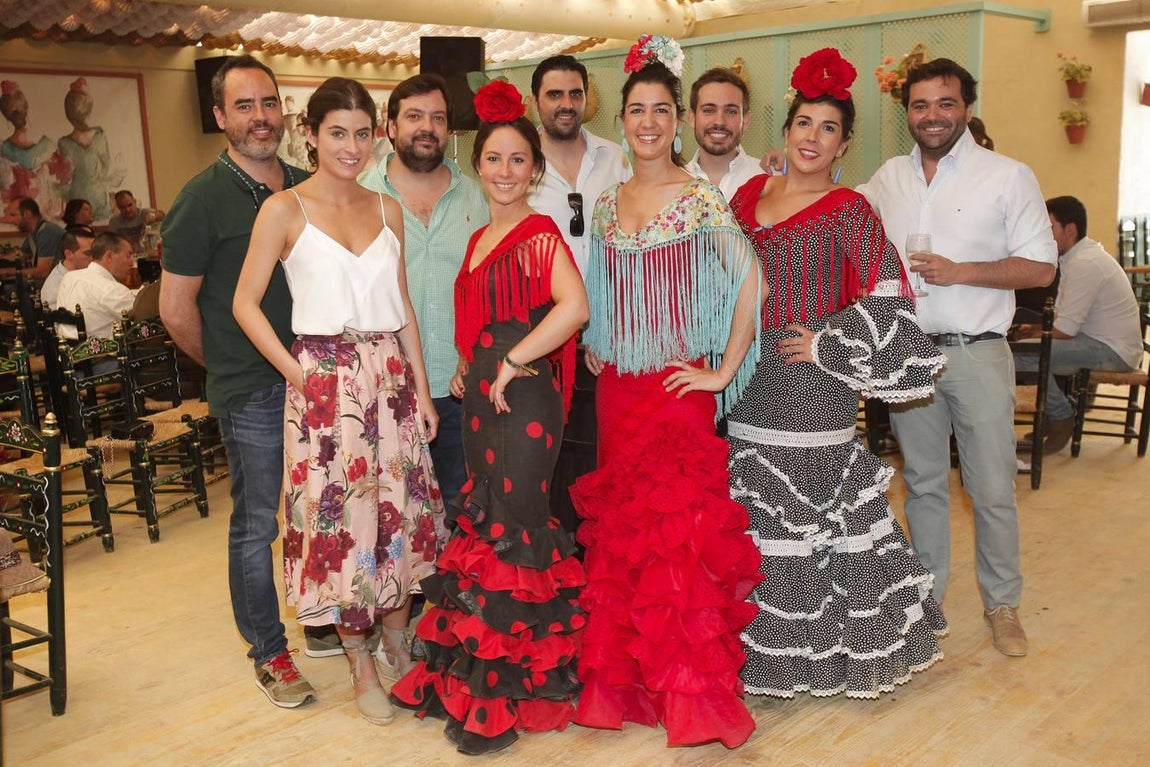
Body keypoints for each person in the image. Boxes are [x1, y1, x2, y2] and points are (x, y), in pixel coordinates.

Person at [725, 48, 948, 700]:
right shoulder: (748, 193)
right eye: (803, 123)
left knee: (801, 516)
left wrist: (828, 342)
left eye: (828, 128)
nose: (812, 137)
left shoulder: (849, 208)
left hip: (809, 379)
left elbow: (888, 294)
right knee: (751, 511)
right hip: (745, 375)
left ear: (845, 142)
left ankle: (809, 655)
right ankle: (753, 649)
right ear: (786, 130)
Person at [569, 35, 763, 749]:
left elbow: (752, 283)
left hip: (679, 387)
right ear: (621, 120)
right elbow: (605, 286)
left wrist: (720, 369)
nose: (647, 121)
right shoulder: (609, 195)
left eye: (659, 109)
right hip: (620, 387)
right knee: (624, 536)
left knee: (679, 540)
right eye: (635, 110)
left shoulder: (700, 196)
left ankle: (691, 697)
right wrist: (598, 339)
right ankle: (626, 684)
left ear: (676, 119)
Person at [234, 76, 446, 727]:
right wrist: (297, 374)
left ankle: (398, 642)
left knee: (399, 514)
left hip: (391, 382)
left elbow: (403, 306)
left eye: (361, 132)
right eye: (336, 133)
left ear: (376, 134)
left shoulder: (387, 210)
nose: (351, 146)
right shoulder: (283, 209)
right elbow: (244, 303)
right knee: (344, 525)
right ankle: (358, 661)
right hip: (326, 383)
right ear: (312, 134)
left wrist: (421, 386)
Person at [390, 80, 590, 756]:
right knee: (486, 518)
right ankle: (480, 676)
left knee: (516, 527)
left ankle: (506, 695)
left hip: (527, 398)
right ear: (477, 167)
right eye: (493, 160)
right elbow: (479, 318)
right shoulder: (480, 236)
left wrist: (510, 362)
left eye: (517, 160)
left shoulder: (538, 233)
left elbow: (573, 309)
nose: (505, 171)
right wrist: (465, 368)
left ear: (535, 169)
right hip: (483, 399)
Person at [856, 58, 1057, 658]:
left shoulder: (1007, 175)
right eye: (920, 105)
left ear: (966, 107)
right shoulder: (888, 177)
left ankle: (1002, 605)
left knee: (992, 486)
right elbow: (834, 210)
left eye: (945, 103)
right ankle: (926, 604)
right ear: (907, 114)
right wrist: (783, 168)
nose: (933, 115)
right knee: (922, 486)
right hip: (908, 355)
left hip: (978, 352)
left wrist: (960, 272)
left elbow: (1042, 266)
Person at [160, 54, 318, 708]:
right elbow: (175, 309)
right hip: (251, 390)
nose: (261, 117)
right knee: (258, 523)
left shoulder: (309, 186)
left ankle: (324, 617)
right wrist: (228, 365)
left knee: (318, 513)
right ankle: (270, 650)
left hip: (318, 383)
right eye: (245, 106)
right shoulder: (201, 198)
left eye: (270, 103)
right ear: (221, 116)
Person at [360, 74, 490, 503]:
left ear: (449, 130)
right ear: (390, 127)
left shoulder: (480, 197)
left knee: (464, 512)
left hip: (463, 390)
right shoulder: (359, 198)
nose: (426, 128)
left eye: (437, 118)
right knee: (392, 517)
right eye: (413, 116)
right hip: (386, 389)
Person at [1013, 195, 1144, 454]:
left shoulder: (1086, 264)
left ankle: (1061, 417)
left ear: (1069, 229)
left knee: (1022, 356)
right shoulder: (1079, 257)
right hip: (1101, 342)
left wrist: (1037, 334)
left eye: (1049, 227)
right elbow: (1065, 319)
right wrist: (1036, 330)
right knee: (1026, 347)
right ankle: (1053, 418)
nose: (1043, 234)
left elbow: (1066, 330)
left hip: (1112, 350)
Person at [528, 54, 631, 273]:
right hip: (548, 306)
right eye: (555, 95)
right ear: (535, 102)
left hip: (610, 303)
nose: (567, 104)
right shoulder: (519, 167)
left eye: (576, 94)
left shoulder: (615, 158)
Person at [684, 67, 762, 200]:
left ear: (746, 120)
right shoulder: (675, 185)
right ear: (692, 117)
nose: (719, 121)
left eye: (731, 111)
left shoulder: (767, 178)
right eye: (709, 110)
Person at [58, 78, 123, 222]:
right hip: (97, 193)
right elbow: (106, 165)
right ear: (88, 109)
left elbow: (65, 177)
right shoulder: (99, 135)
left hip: (75, 196)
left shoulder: (64, 142)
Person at [1, 79, 65, 219]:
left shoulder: (3, 150)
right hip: (43, 217)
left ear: (6, 116)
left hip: (15, 219)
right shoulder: (48, 148)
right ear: (26, 111)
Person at [56, 231, 137, 339]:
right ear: (109, 256)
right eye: (128, 255)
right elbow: (142, 317)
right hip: (104, 354)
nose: (132, 263)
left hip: (66, 351)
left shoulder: (69, 277)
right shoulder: (110, 289)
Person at [6, 197, 63, 280]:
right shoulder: (33, 233)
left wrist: (6, 272)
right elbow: (20, 256)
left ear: (27, 214)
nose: (11, 220)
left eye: (13, 215)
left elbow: (42, 272)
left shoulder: (48, 231)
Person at [41, 224, 95, 309]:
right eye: (88, 253)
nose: (93, 258)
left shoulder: (85, 271)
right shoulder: (56, 287)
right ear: (68, 254)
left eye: (95, 252)